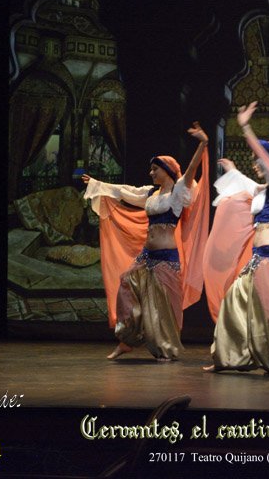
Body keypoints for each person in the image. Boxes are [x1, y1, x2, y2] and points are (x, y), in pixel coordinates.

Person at [81, 123, 209, 361]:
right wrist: (97, 184)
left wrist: (203, 143)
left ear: (166, 171)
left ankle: (165, 348)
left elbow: (192, 169)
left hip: (166, 258)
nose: (151, 173)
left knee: (162, 306)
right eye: (151, 170)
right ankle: (127, 340)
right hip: (146, 255)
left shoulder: (177, 194)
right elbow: (124, 191)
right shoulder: (150, 194)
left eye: (155, 169)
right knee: (126, 283)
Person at [202, 101, 269, 375]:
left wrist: (246, 128)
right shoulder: (262, 190)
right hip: (257, 257)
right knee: (234, 303)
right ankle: (230, 358)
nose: (255, 164)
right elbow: (247, 184)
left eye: (258, 159)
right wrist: (232, 170)